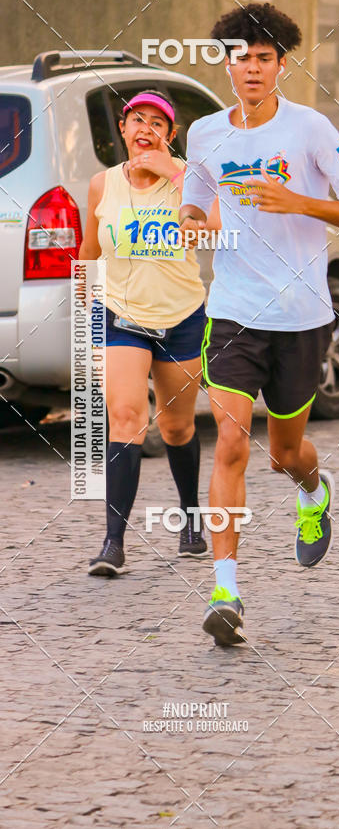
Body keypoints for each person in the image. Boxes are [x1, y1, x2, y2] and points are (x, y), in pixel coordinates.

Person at [179, 3, 339, 645]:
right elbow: (197, 196)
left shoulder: (310, 129)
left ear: (281, 65)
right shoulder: (205, 133)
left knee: (284, 455)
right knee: (230, 443)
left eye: (264, 58)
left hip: (301, 316)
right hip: (233, 311)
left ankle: (314, 492)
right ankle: (225, 591)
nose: (252, 68)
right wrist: (190, 220)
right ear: (228, 65)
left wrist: (299, 202)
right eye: (242, 58)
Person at [79, 90, 208, 576]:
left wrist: (174, 173)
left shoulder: (189, 180)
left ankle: (191, 519)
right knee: (127, 418)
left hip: (181, 316)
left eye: (158, 123)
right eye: (137, 120)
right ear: (123, 129)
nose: (146, 129)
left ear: (171, 135)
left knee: (177, 427)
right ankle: (112, 543)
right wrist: (84, 300)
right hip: (121, 315)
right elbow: (89, 250)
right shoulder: (102, 185)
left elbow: (217, 222)